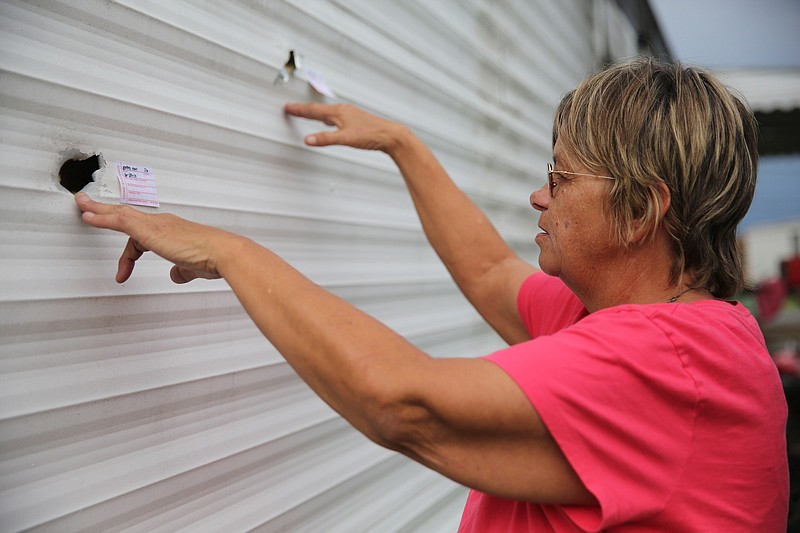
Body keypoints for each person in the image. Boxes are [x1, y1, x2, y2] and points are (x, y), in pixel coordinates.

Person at [75, 57, 788, 531]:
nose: (538, 195)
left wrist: (229, 249)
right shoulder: (652, 320)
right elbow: (487, 272)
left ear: (641, 210)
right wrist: (403, 144)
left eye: (561, 179)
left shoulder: (668, 364)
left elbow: (400, 403)